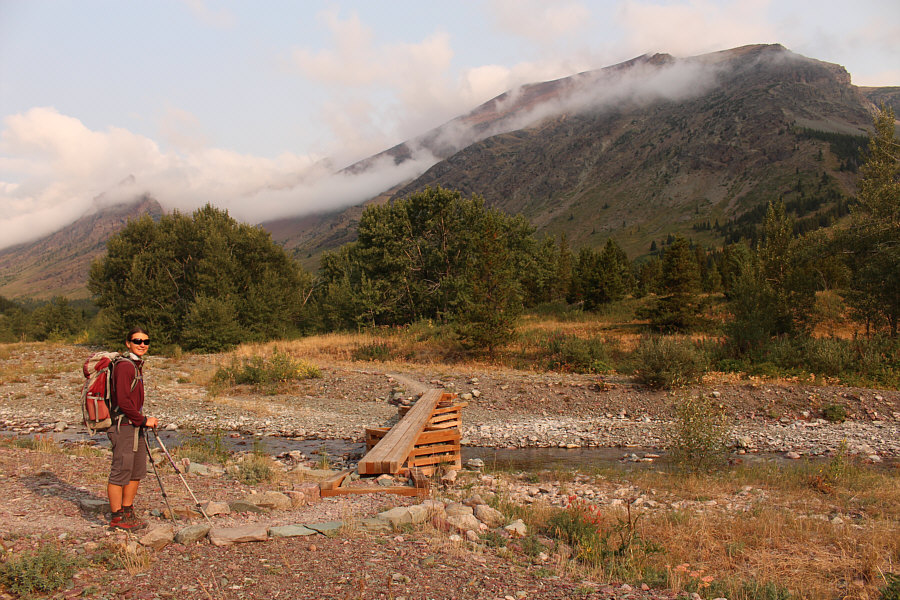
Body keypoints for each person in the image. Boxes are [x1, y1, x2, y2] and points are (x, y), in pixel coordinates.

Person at [107, 327, 159, 530]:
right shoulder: (125, 366)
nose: (142, 345)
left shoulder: (136, 365)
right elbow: (123, 400)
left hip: (134, 424)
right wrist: (143, 419)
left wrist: (140, 420)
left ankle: (127, 510)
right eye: (137, 341)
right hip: (124, 425)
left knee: (136, 471)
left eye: (146, 341)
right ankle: (117, 517)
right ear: (128, 343)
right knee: (120, 471)